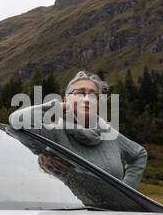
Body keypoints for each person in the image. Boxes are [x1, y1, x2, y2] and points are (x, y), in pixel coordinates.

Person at [9, 71, 148, 190]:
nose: (87, 99)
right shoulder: (54, 131)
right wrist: (58, 106)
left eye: (94, 95)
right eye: (80, 93)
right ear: (66, 99)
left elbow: (139, 154)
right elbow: (17, 120)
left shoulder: (109, 133)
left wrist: (127, 193)